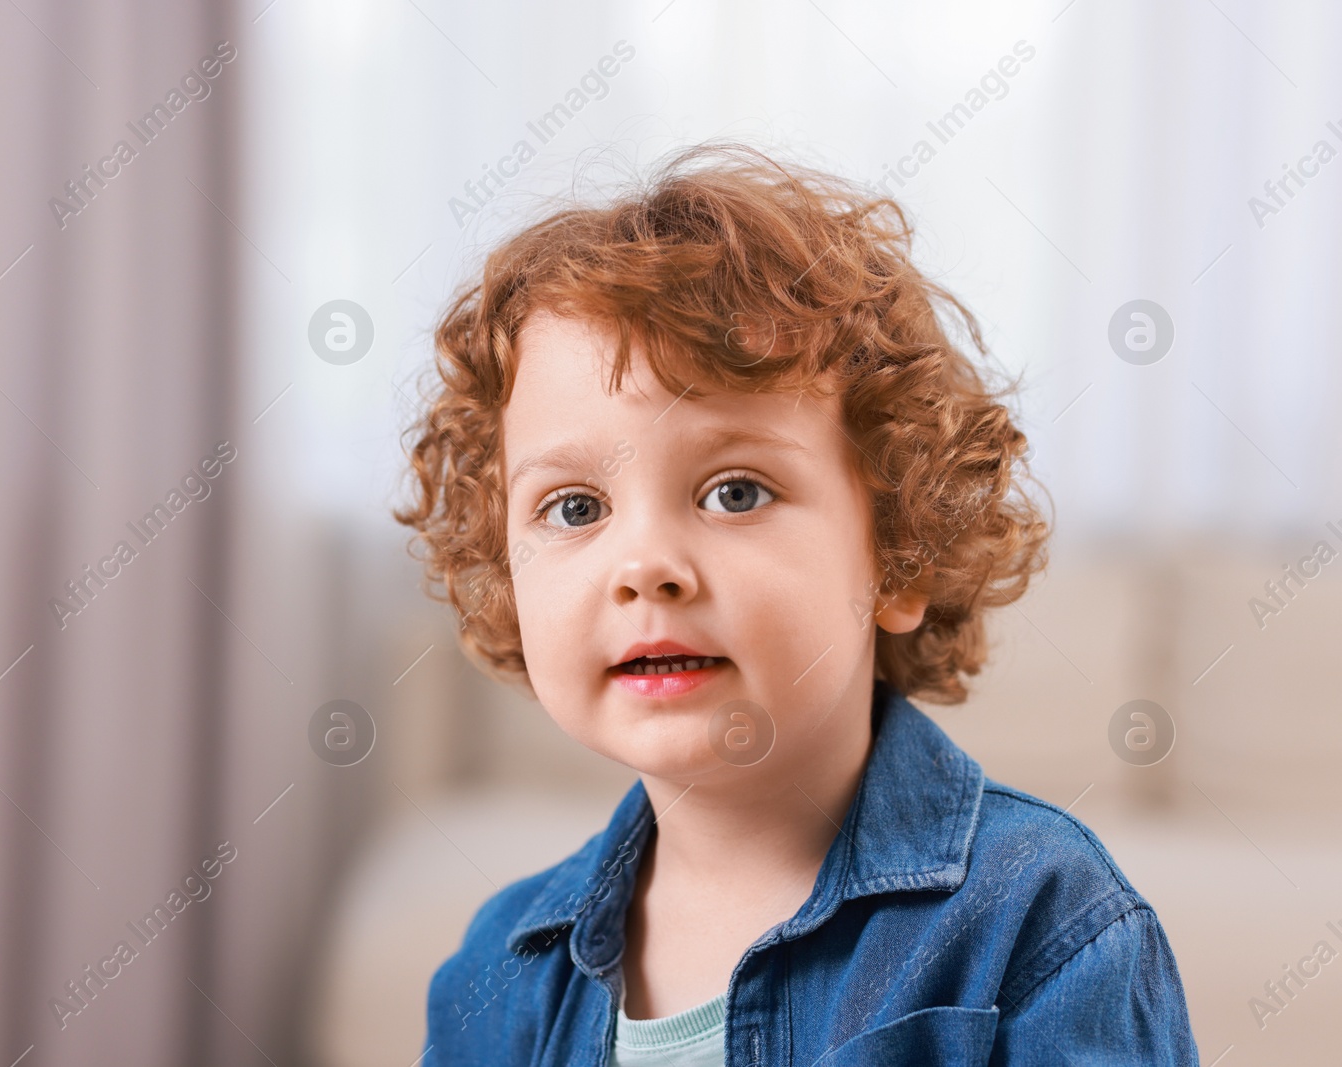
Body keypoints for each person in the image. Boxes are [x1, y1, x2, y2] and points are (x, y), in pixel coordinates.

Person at [394, 143, 1198, 1065]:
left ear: (900, 556)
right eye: (575, 508)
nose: (646, 566)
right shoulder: (495, 975)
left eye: (734, 491)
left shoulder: (1043, 929)